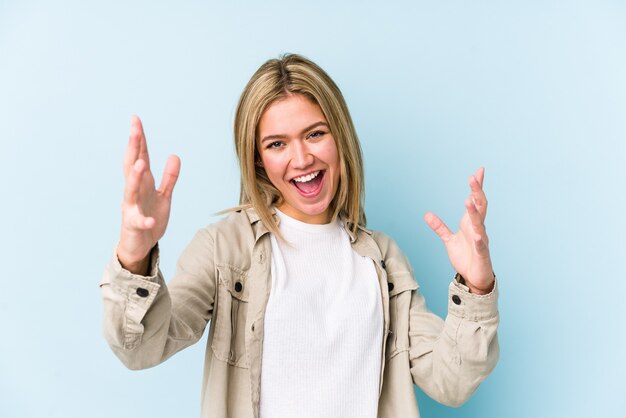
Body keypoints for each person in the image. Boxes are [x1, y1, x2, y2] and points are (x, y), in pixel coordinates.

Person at [100, 54, 499, 418]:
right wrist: (135, 255)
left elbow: (452, 382)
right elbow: (142, 348)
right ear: (258, 159)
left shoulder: (383, 259)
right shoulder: (225, 250)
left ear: (339, 137)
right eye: (277, 144)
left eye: (315, 134)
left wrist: (477, 287)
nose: (302, 159)